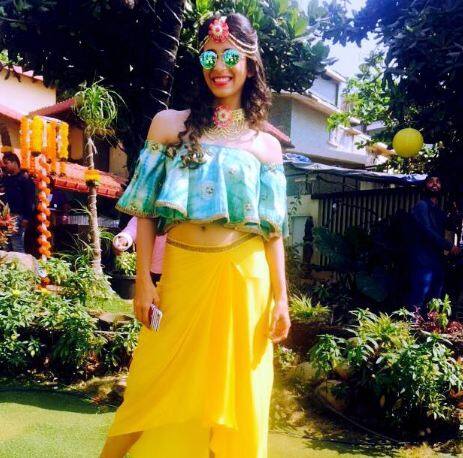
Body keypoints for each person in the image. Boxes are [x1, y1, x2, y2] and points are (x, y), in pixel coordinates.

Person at [100, 13, 290, 458]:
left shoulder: (266, 145)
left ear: (250, 65)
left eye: (231, 57)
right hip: (181, 275)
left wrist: (281, 298)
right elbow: (146, 210)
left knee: (239, 389)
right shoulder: (169, 124)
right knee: (150, 382)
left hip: (244, 278)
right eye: (209, 57)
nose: (219, 67)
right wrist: (144, 280)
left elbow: (273, 231)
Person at [407, 175, 460, 315]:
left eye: (438, 182)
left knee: (435, 300)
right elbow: (427, 231)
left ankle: (429, 326)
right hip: (423, 261)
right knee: (419, 299)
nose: (435, 184)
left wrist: (455, 213)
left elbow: (450, 225)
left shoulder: (438, 211)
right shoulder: (421, 206)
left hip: (437, 261)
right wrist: (449, 246)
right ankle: (412, 325)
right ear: (425, 186)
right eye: (431, 181)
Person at [113, 216, 167, 284]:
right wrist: (124, 238)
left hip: (175, 269)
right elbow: (134, 227)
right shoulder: (149, 212)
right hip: (150, 271)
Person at [0, 152, 36, 253]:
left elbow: (30, 200)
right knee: (5, 245)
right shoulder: (6, 179)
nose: (5, 166)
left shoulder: (25, 179)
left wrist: (26, 218)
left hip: (17, 216)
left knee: (17, 245)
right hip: (5, 217)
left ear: (14, 162)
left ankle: (21, 264)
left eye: (6, 163)